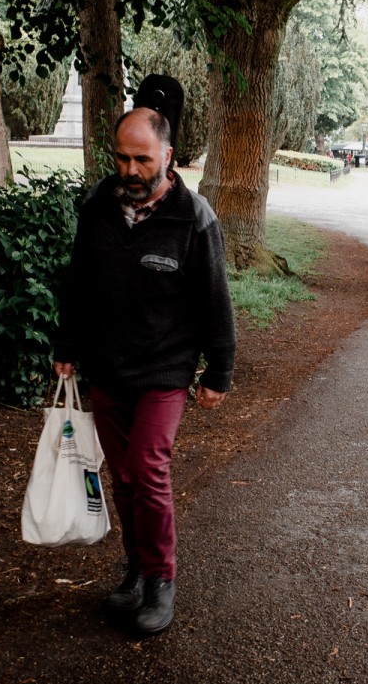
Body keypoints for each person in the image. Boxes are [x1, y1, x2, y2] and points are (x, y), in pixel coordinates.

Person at [52, 105, 236, 635]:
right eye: (122, 157)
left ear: (168, 156)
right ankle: (134, 571)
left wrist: (218, 370)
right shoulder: (97, 208)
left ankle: (160, 580)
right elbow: (79, 283)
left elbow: (215, 302)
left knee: (149, 468)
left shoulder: (193, 218)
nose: (130, 170)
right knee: (124, 475)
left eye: (142, 159)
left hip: (165, 369)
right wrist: (67, 342)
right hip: (107, 366)